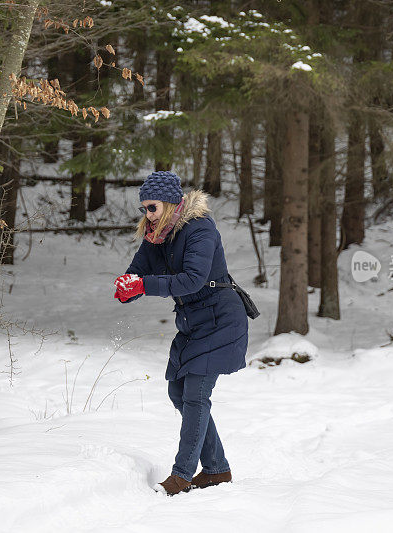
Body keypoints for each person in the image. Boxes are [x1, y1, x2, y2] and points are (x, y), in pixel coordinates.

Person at [113, 170, 248, 496]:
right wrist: (128, 286)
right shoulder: (156, 234)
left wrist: (144, 285)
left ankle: (181, 476)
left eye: (152, 207)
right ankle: (217, 469)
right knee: (178, 392)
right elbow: (139, 268)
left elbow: (192, 279)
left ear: (172, 203)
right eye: (144, 208)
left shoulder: (200, 229)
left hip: (221, 319)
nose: (147, 214)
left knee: (196, 395)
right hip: (192, 323)